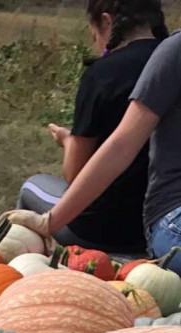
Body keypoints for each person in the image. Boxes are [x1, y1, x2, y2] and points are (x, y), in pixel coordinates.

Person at [10, 22, 181, 270]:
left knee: (33, 185)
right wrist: (51, 221)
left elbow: (80, 164)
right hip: (172, 214)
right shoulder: (174, 52)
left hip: (102, 227)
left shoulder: (104, 72)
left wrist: (69, 142)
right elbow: (121, 145)